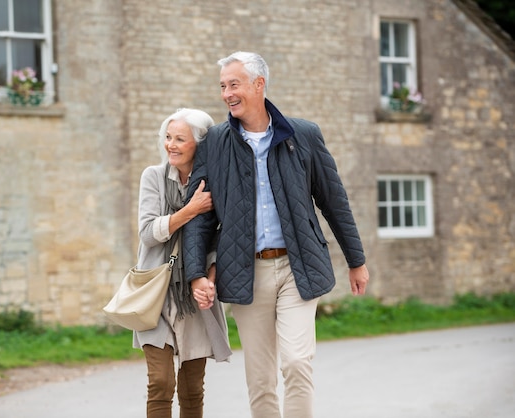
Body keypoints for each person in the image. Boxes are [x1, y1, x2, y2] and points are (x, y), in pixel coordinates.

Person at [183, 51, 370, 418]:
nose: (226, 94)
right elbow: (199, 217)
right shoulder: (215, 143)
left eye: (233, 84)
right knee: (261, 378)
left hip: (296, 266)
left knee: (298, 363)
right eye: (222, 86)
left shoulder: (303, 135)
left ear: (259, 84)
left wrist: (356, 260)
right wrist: (195, 273)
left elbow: (334, 201)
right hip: (245, 272)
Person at [133, 108, 232, 418]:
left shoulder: (215, 184)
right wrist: (190, 210)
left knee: (192, 390)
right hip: (156, 296)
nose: (170, 145)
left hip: (195, 296)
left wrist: (210, 279)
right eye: (167, 137)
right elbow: (149, 233)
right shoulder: (154, 177)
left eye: (179, 139)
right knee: (160, 383)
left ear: (199, 145)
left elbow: (220, 239)